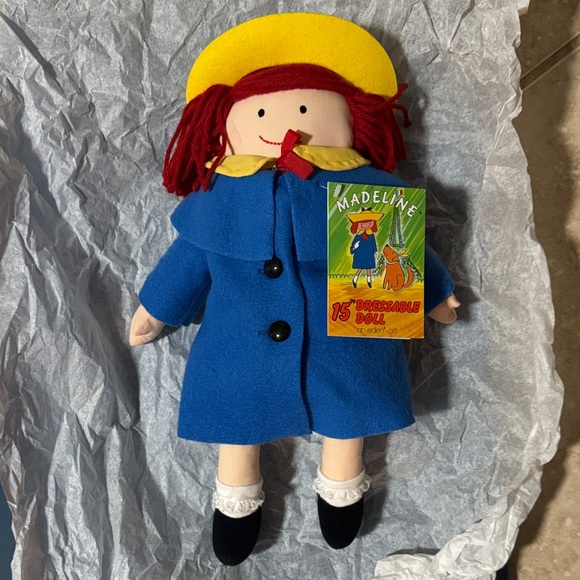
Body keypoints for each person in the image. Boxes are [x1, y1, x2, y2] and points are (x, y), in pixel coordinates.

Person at [129, 12, 459, 566]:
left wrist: (434, 292)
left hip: (347, 335)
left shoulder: (366, 194)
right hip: (239, 342)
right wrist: (157, 307)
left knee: (350, 396)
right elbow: (190, 260)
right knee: (239, 410)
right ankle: (237, 495)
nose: (285, 127)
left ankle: (342, 481)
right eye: (258, 113)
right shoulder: (218, 202)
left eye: (307, 111)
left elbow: (402, 255)